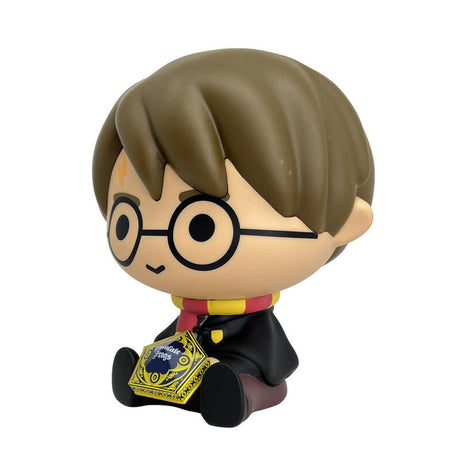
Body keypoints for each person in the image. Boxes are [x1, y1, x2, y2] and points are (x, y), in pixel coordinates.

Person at [93, 49, 375, 427]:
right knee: (162, 359)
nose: (155, 245)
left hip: (247, 348)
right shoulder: (187, 311)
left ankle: (240, 396)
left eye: (202, 226)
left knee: (249, 374)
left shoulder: (254, 321)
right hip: (191, 342)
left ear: (344, 222)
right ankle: (143, 384)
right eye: (126, 222)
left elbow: (266, 350)